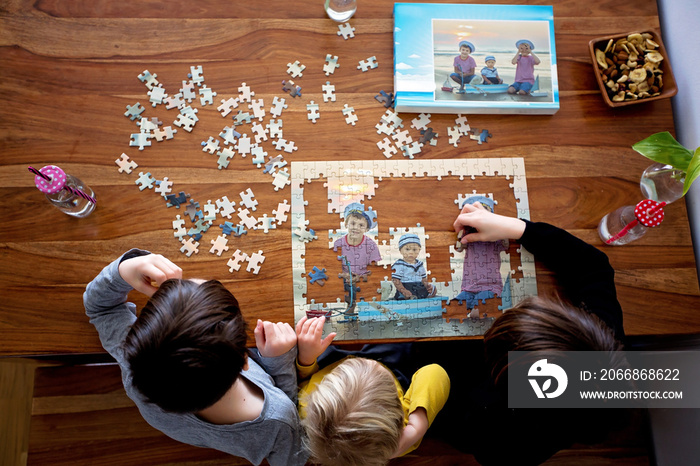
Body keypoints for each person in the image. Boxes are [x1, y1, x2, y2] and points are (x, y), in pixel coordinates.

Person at [428, 201, 628, 465]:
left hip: (455, 399)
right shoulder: (600, 336)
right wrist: (517, 228)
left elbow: (452, 413)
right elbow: (594, 266)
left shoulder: (503, 439)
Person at [83, 250, 307, 466]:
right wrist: (280, 361)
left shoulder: (135, 364)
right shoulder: (278, 420)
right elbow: (294, 459)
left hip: (174, 426)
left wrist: (124, 268)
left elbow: (100, 309)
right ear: (244, 359)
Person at [295, 316, 450, 466]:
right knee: (400, 330)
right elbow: (434, 372)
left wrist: (306, 360)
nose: (366, 361)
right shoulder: (399, 436)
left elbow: (303, 381)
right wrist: (417, 427)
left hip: (329, 361)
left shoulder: (311, 409)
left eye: (360, 363)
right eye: (376, 370)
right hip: (389, 361)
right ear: (397, 411)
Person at [454, 196, 507, 310]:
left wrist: (498, 227)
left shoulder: (496, 237)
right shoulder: (467, 236)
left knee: (480, 307)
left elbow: (506, 244)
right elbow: (458, 248)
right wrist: (460, 234)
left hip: (490, 287)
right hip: (468, 288)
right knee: (454, 307)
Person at [333, 203, 382, 314]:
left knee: (381, 285)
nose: (356, 228)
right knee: (334, 283)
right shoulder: (338, 244)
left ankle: (366, 304)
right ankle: (351, 304)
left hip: (364, 279)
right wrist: (343, 275)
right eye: (353, 223)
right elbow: (332, 267)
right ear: (346, 224)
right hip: (345, 280)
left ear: (367, 229)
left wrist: (361, 276)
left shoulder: (371, 245)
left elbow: (376, 270)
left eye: (361, 225)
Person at [391, 233, 435, 300]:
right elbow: (396, 280)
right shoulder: (399, 265)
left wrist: (427, 286)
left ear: (419, 250)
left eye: (414, 250)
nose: (411, 252)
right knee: (405, 296)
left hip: (419, 287)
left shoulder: (419, 264)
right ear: (400, 251)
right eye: (407, 249)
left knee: (432, 290)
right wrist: (403, 290)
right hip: (405, 286)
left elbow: (423, 279)